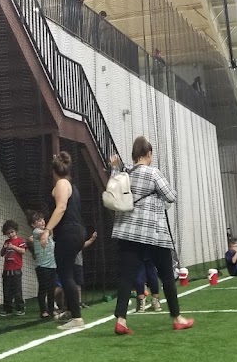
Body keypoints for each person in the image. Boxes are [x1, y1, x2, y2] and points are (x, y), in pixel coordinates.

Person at [110, 136, 194, 336]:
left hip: (128, 232)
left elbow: (113, 191)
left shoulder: (125, 173)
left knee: (126, 276)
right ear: (148, 154)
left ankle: (121, 320)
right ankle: (177, 318)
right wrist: (156, 195)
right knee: (166, 276)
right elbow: (171, 196)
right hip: (153, 233)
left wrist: (114, 168)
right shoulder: (153, 173)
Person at [40, 151, 86, 331]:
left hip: (69, 233)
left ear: (54, 171)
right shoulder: (70, 185)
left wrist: (47, 230)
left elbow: (60, 207)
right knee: (67, 273)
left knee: (65, 274)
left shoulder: (61, 183)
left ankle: (76, 318)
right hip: (75, 233)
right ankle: (70, 310)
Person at [29, 211, 58, 319]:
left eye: (42, 220)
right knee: (43, 289)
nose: (42, 222)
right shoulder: (37, 231)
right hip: (42, 266)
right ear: (33, 224)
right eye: (38, 221)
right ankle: (43, 311)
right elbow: (47, 232)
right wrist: (52, 224)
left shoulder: (47, 233)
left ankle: (51, 310)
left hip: (52, 265)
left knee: (51, 289)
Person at [0, 220, 27, 315]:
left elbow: (23, 251)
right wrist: (4, 248)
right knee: (7, 291)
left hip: (16, 270)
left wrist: (14, 247)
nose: (10, 234)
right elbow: (1, 254)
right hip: (7, 269)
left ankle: (20, 308)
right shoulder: (6, 242)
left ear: (16, 231)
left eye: (12, 232)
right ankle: (8, 309)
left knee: (17, 290)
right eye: (8, 233)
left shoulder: (20, 240)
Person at [74, 231, 98, 308]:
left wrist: (92, 239)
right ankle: (74, 303)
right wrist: (92, 239)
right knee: (73, 284)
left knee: (78, 284)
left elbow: (82, 245)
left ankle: (79, 302)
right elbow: (82, 245)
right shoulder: (71, 238)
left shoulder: (77, 238)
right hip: (73, 264)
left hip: (78, 263)